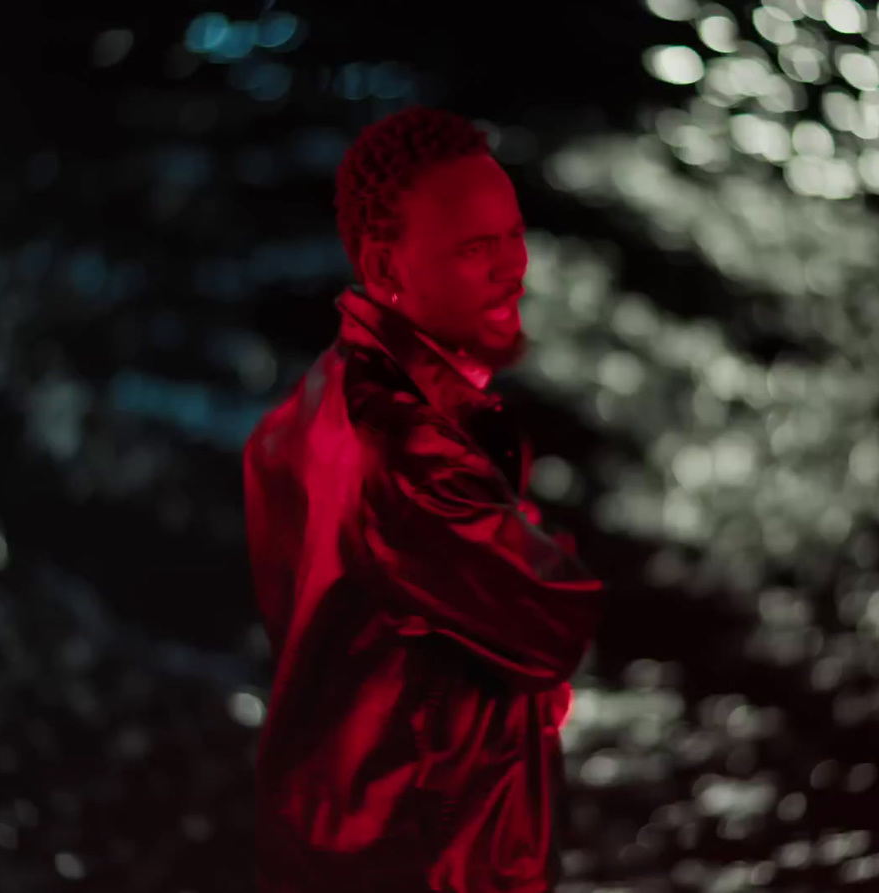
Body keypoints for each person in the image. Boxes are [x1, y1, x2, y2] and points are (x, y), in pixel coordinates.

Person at [242, 106, 606, 893]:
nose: (514, 268)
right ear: (386, 266)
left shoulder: (303, 413)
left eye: (513, 235)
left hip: (328, 829)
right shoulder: (412, 460)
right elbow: (557, 617)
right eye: (477, 249)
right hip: (433, 862)